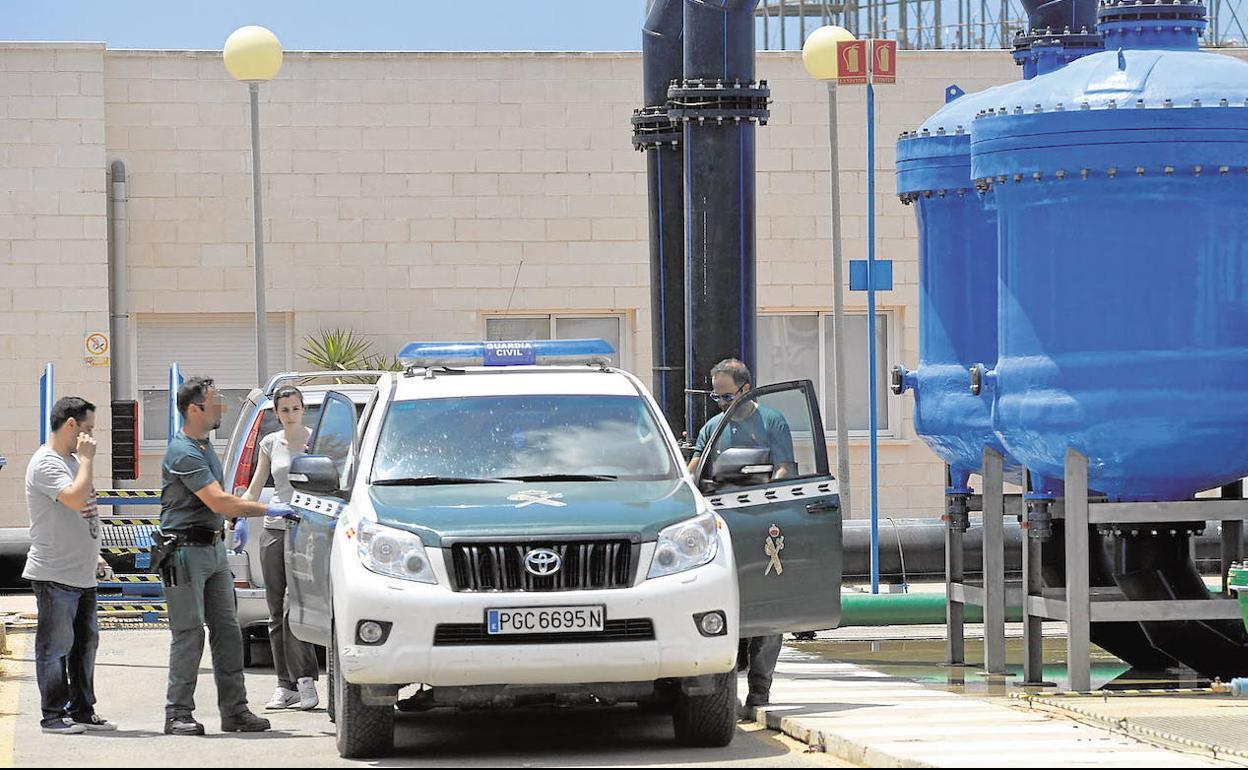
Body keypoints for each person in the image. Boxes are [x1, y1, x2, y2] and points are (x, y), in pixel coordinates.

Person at [160, 377, 294, 736]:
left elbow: (221, 501)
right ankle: (178, 713)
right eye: (215, 401)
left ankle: (235, 712)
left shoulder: (204, 446)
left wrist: (235, 518)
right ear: (194, 409)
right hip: (185, 553)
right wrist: (267, 509)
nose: (221, 407)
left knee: (228, 632)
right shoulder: (184, 451)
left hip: (213, 549)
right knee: (189, 634)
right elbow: (218, 501)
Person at [685, 359, 794, 720]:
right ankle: (722, 693)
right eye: (715, 397)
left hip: (761, 527)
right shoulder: (713, 428)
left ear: (746, 390)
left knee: (767, 611)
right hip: (721, 530)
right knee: (721, 612)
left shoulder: (773, 422)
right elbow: (693, 472)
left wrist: (768, 498)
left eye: (726, 396)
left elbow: (785, 468)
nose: (720, 403)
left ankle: (759, 692)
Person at [23, 397, 116, 735]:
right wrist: (88, 460)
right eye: (88, 428)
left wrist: (95, 554)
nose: (91, 437)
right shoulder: (46, 463)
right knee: (55, 648)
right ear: (71, 425)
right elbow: (75, 499)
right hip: (55, 574)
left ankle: (82, 711)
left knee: (85, 647)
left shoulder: (74, 461)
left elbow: (84, 513)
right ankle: (52, 715)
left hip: (81, 572)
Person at [241, 385, 319, 711]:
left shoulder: (317, 440)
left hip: (305, 530)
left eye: (295, 408)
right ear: (276, 413)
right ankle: (284, 685)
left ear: (303, 409)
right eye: (284, 410)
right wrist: (238, 515)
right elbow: (255, 487)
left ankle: (306, 682)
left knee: (295, 608)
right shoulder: (270, 443)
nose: (290, 415)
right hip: (274, 529)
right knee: (275, 611)